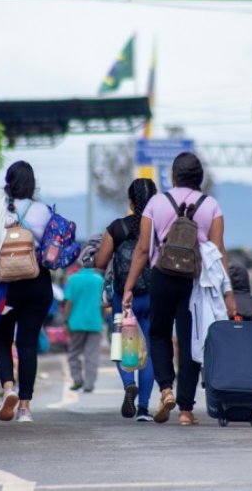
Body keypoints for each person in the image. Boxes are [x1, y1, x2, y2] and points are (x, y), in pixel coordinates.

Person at [123, 152, 236, 426]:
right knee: (192, 340)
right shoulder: (211, 205)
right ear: (200, 177)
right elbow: (218, 250)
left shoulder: (156, 203)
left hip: (161, 275)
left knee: (159, 333)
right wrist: (228, 291)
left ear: (172, 175)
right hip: (195, 280)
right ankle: (186, 410)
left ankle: (166, 390)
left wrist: (128, 287)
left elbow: (141, 249)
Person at [0, 160, 53, 423]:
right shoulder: (43, 211)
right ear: (32, 184)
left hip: (4, 288)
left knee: (0, 339)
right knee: (28, 343)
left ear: (8, 182)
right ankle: (25, 409)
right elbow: (54, 251)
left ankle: (9, 388)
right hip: (37, 284)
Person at [94, 178, 158, 421]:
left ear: (130, 202)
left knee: (123, 344)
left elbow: (100, 262)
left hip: (124, 297)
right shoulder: (159, 228)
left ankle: (128, 383)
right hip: (153, 296)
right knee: (149, 351)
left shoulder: (117, 227)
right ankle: (143, 408)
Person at [63, 265, 105, 393]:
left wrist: (66, 321)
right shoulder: (99, 280)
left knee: (74, 353)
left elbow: (68, 302)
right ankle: (89, 384)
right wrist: (101, 320)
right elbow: (104, 303)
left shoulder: (73, 279)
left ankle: (77, 380)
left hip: (76, 322)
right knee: (91, 354)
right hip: (94, 322)